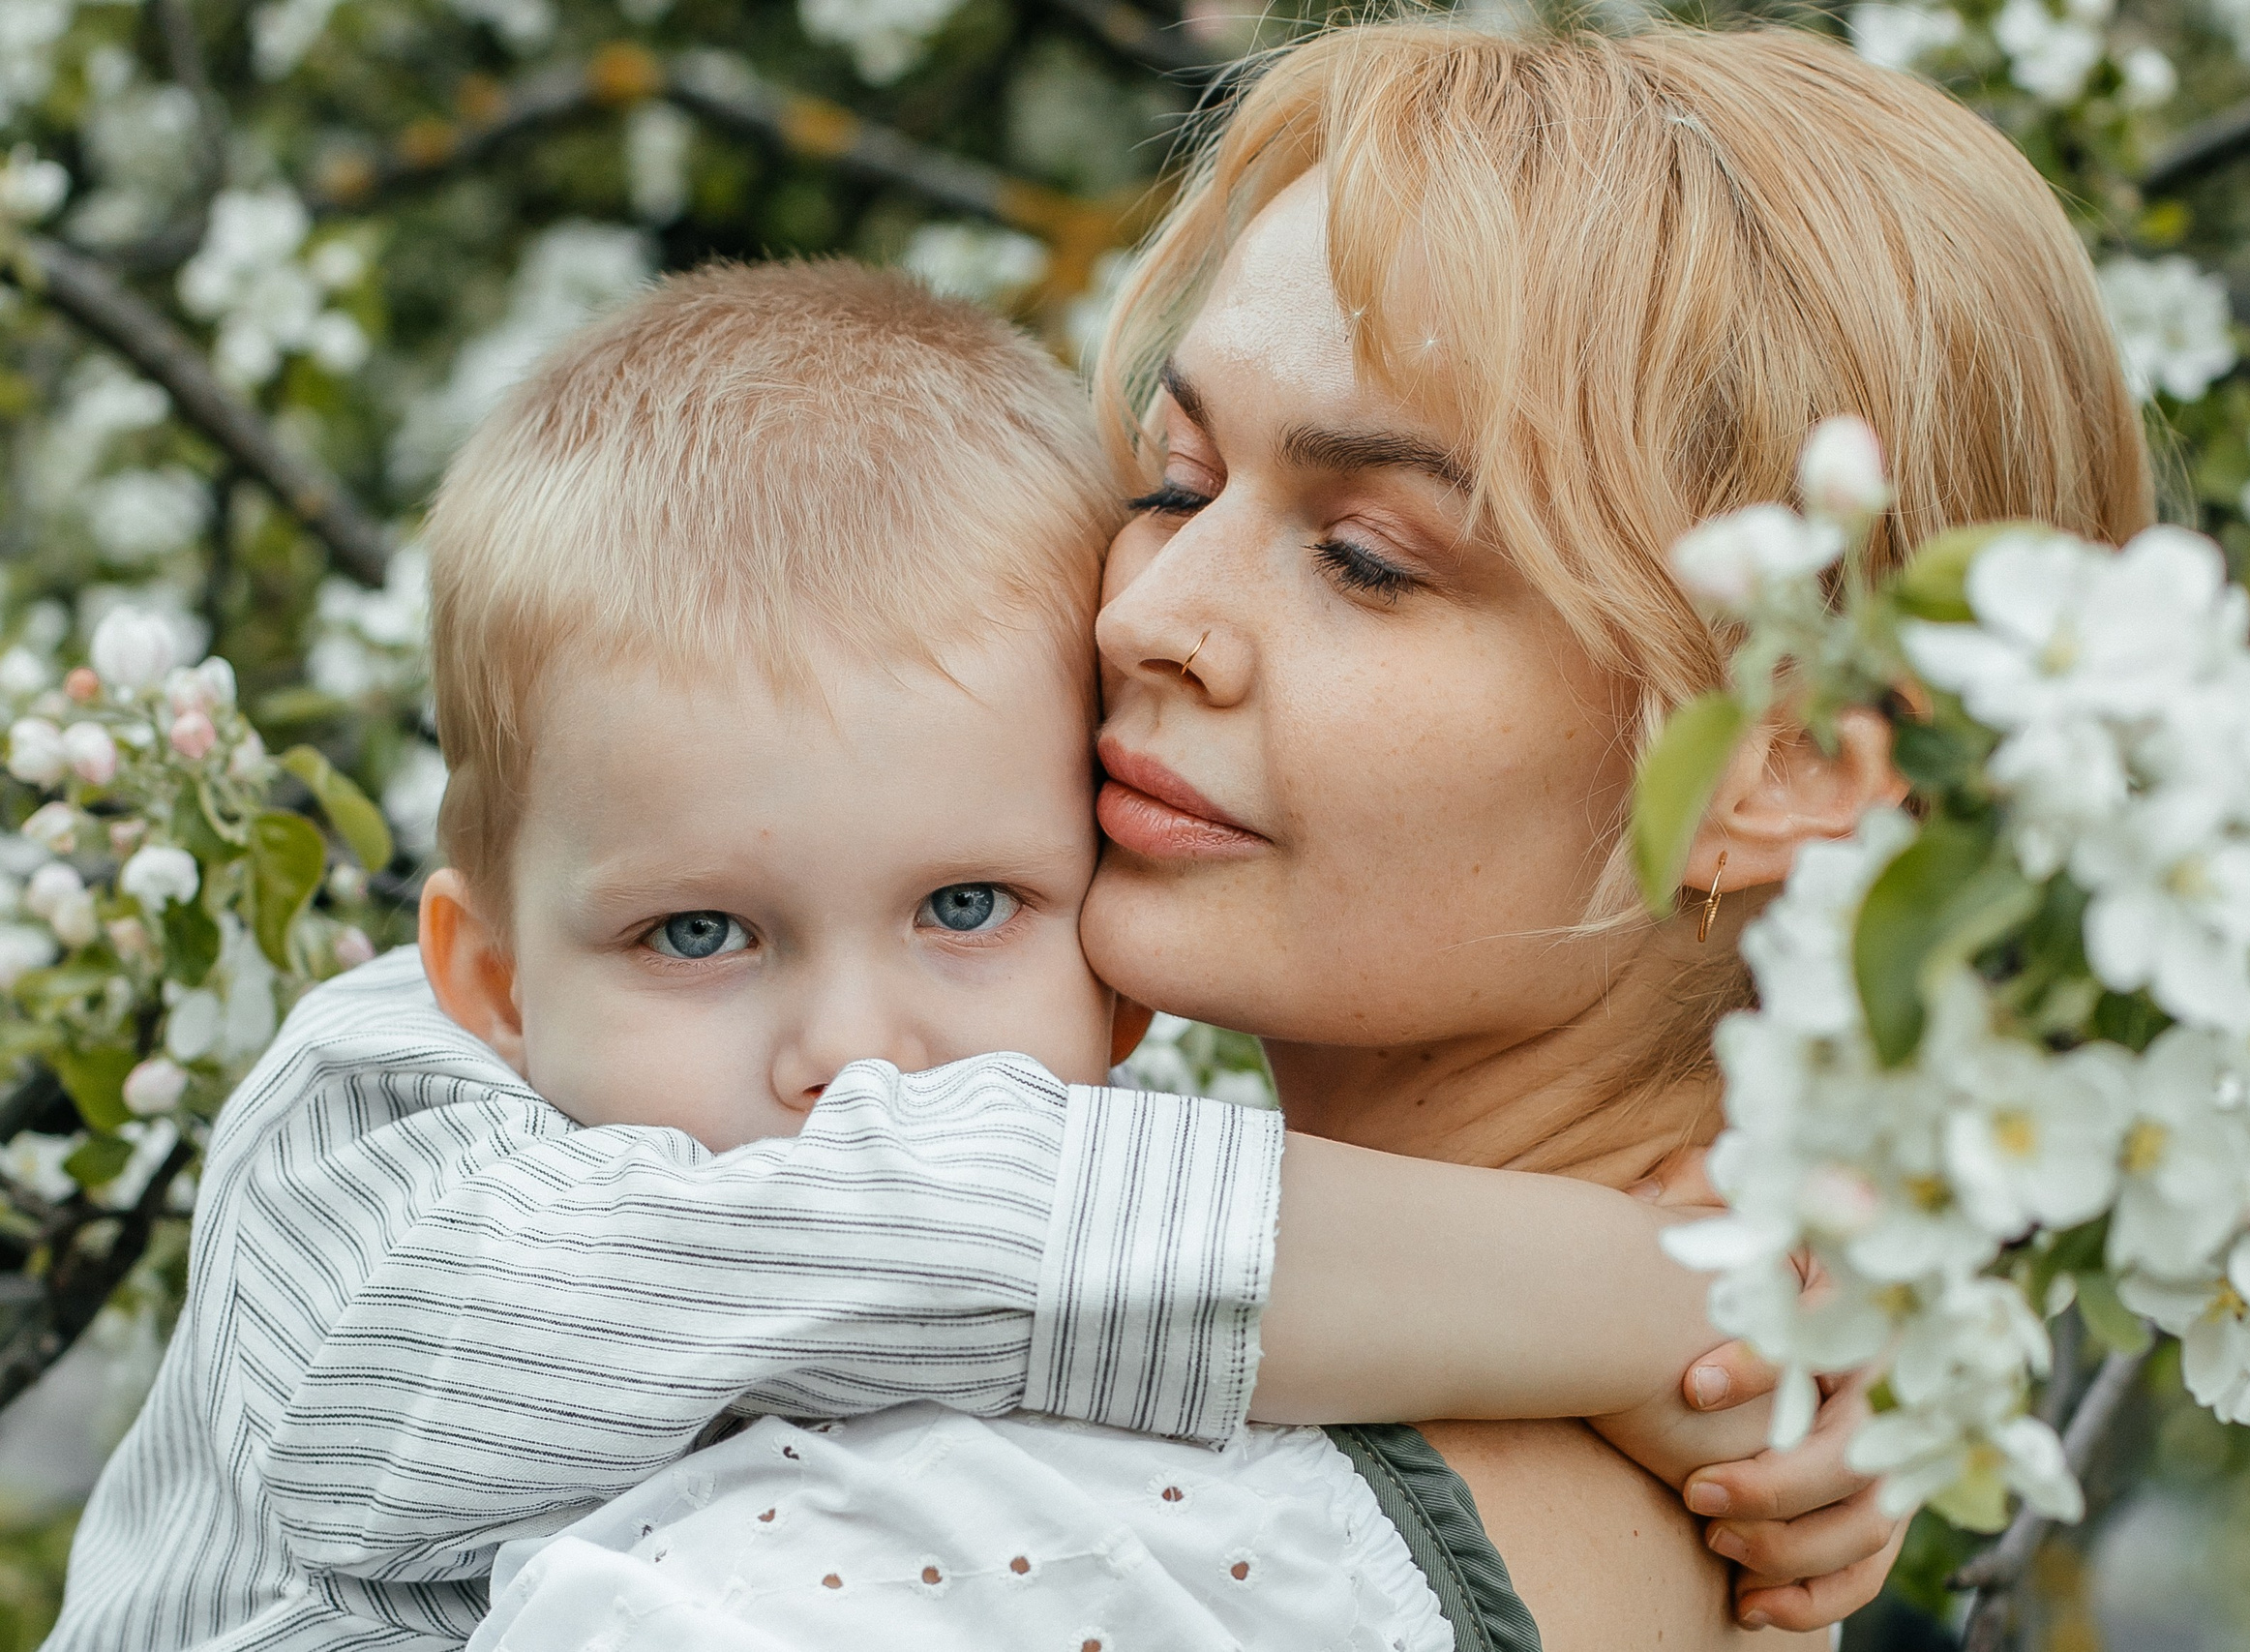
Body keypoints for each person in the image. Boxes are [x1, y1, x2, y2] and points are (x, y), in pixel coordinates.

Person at [45, 258, 1839, 1652]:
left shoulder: (1103, 1068)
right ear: (493, 976)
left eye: (969, 906)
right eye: (699, 933)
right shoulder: (377, 1145)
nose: (860, 1060)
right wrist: (1654, 1308)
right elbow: (908, 1228)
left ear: (1109, 923)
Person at [1071, 16, 2154, 1645]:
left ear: (1779, 764)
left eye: (1367, 558)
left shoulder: (1246, 1578)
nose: (1152, 613)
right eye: (1175, 480)